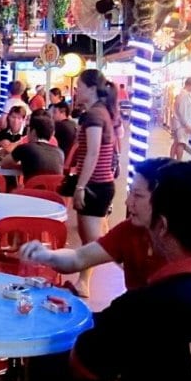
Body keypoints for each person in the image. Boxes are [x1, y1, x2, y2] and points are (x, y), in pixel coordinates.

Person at [70, 161, 191, 381]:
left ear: (161, 225)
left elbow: (83, 364)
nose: (129, 202)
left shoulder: (141, 307)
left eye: (139, 195)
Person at [20, 157, 171, 292]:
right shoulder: (129, 230)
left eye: (137, 195)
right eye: (130, 193)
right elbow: (78, 258)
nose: (128, 202)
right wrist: (47, 255)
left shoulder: (183, 244)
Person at [69, 68, 118, 297]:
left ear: (90, 88)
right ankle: (82, 282)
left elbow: (93, 152)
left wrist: (80, 186)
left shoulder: (95, 115)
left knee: (91, 241)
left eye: (79, 86)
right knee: (88, 237)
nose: (76, 91)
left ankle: (84, 283)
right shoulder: (102, 111)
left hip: (95, 185)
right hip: (99, 183)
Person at [1, 113, 64, 179]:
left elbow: (4, 164)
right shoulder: (60, 152)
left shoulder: (25, 148)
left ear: (33, 131)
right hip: (52, 189)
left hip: (30, 188)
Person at [171, 76, 191, 160]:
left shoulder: (182, 94)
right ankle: (178, 163)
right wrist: (187, 125)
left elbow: (189, 107)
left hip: (178, 124)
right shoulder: (184, 95)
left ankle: (171, 161)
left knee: (176, 143)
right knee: (181, 144)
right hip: (181, 125)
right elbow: (182, 113)